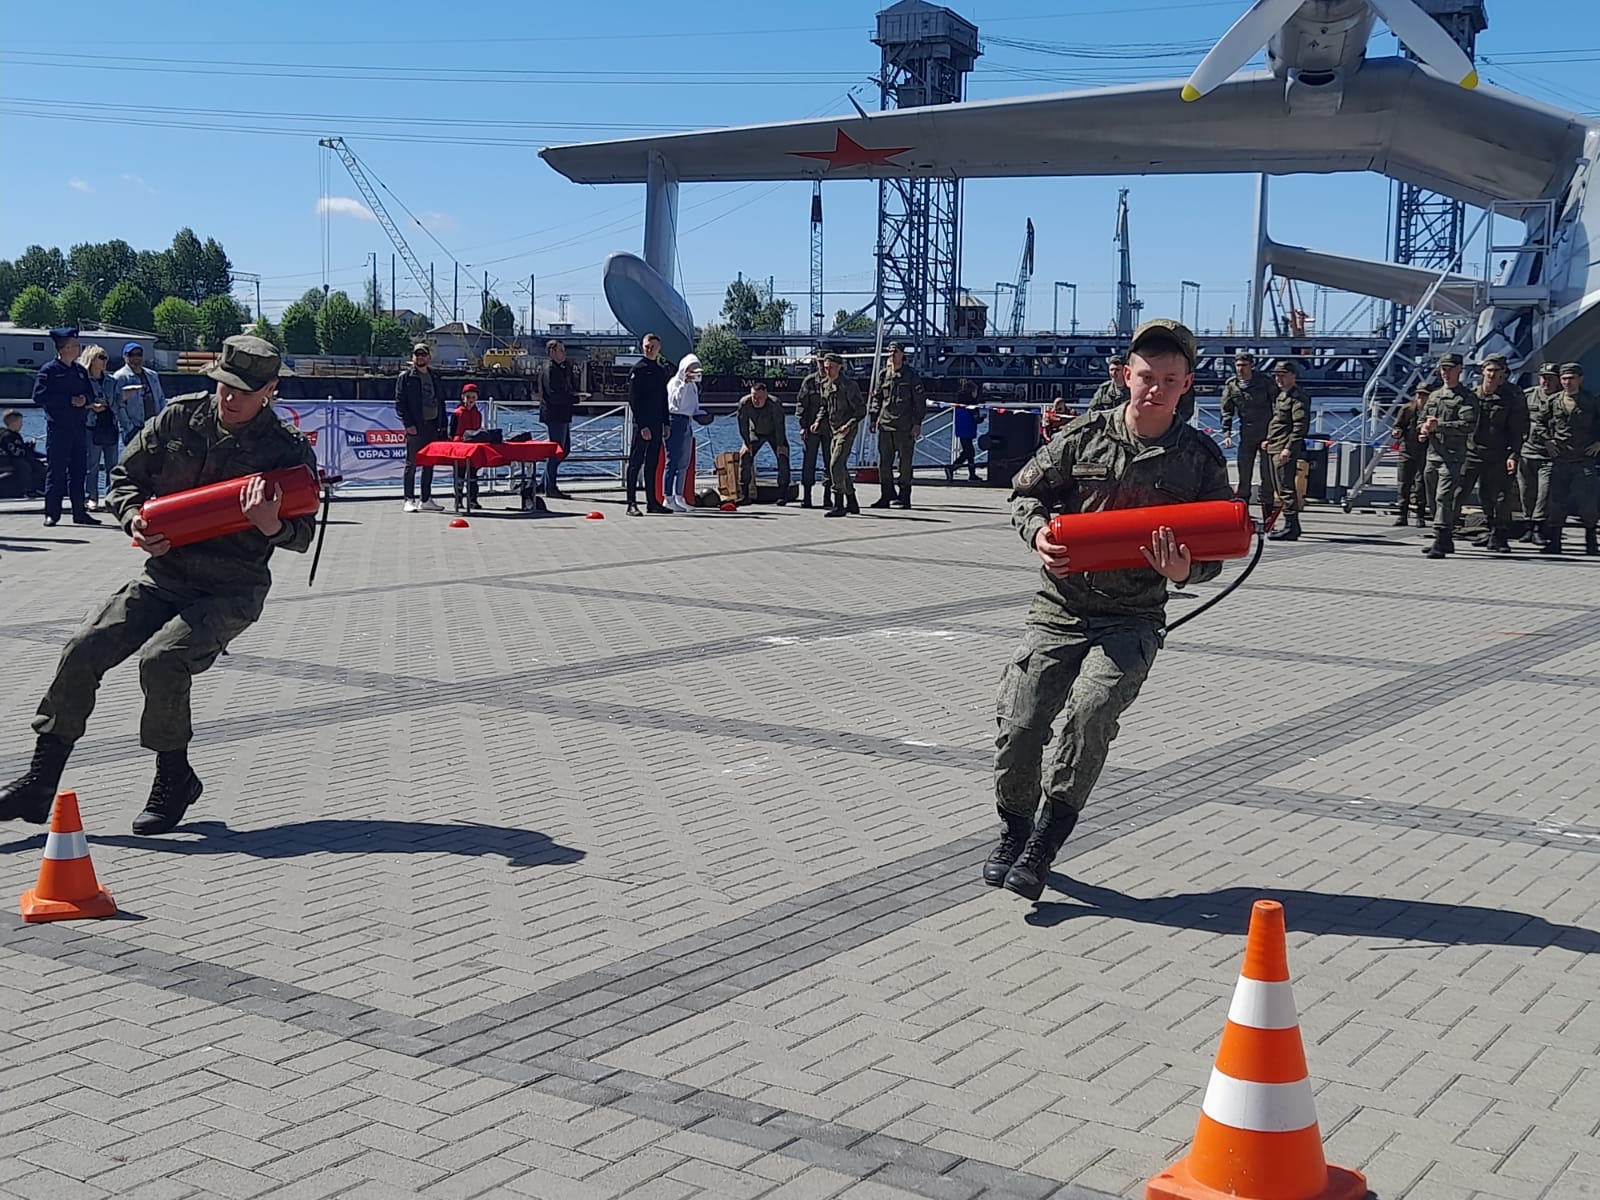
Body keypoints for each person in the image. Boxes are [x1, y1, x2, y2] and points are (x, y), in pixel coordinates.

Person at [0, 335, 317, 835]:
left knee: (163, 660)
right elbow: (124, 479)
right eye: (224, 385)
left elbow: (303, 536)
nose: (229, 397)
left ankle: (174, 777)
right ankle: (40, 781)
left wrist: (271, 524)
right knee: (85, 647)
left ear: (270, 390)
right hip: (165, 575)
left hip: (232, 587)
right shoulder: (178, 419)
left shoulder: (286, 449)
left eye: (243, 391)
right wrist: (134, 520)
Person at [984, 319, 1231, 900]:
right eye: (1146, 376)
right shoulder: (1083, 436)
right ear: (1125, 376)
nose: (1156, 389)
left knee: (1090, 715)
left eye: (1170, 379)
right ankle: (1014, 829)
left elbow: (1217, 550)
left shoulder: (1199, 459)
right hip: (1060, 608)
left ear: (1187, 384)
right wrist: (1038, 533)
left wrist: (1184, 572)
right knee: (1020, 725)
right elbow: (1024, 493)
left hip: (1133, 617)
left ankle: (1045, 843)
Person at [1459, 354, 1527, 554]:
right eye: (1489, 370)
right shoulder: (1473, 394)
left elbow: (1519, 428)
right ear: (1483, 371)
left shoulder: (1512, 396)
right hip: (1473, 452)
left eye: (1497, 371)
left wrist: (1514, 455)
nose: (1492, 374)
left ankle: (1500, 533)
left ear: (1503, 372)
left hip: (1500, 454)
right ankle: (1486, 529)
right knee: (1469, 492)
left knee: (1500, 496)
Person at [33, 326, 99, 528]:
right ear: (66, 348)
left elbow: (91, 394)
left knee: (79, 471)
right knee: (56, 471)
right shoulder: (49, 371)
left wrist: (85, 399)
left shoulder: (80, 371)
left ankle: (79, 512)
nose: (79, 349)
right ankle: (52, 513)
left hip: (78, 427)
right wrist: (68, 400)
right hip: (59, 428)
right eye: (76, 345)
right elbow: (39, 396)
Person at [1418, 353, 1478, 560]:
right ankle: (1445, 538)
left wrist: (1440, 426)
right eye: (1443, 369)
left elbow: (1468, 425)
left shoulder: (1466, 397)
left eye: (1450, 369)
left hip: (1452, 456)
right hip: (1433, 455)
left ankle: (1440, 537)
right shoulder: (1435, 396)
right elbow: (1421, 420)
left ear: (1460, 369)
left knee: (1443, 496)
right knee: (1432, 498)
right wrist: (1423, 429)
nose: (1446, 373)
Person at [1539, 362, 1600, 556]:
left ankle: (1591, 541)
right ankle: (1555, 541)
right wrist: (1547, 440)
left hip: (1583, 458)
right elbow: (1538, 422)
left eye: (1571, 378)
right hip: (1560, 458)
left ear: (1580, 379)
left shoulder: (1591, 401)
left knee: (1588, 502)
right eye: (1564, 378)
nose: (1567, 382)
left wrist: (1599, 443)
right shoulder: (1553, 401)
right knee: (1556, 501)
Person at [869, 342, 926, 509]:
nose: (892, 354)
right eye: (890, 351)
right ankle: (886, 495)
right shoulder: (884, 375)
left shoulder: (911, 375)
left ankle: (904, 496)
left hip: (904, 426)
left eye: (895, 352)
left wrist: (917, 423)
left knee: (904, 464)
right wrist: (873, 417)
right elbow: (877, 398)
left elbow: (919, 401)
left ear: (902, 354)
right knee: (884, 464)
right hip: (885, 424)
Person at [1261, 360, 1310, 541]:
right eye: (1276, 376)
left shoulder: (1298, 397)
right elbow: (1278, 422)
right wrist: (1269, 439)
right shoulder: (1281, 395)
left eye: (1283, 376)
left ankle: (1291, 526)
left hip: (1284, 447)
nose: (1278, 379)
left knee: (1286, 487)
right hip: (1275, 445)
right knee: (1278, 487)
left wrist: (1289, 449)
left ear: (1293, 376)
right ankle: (1288, 524)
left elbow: (1299, 427)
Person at [395, 342, 446, 513]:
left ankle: (425, 499)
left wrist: (442, 426)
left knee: (429, 463)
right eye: (417, 354)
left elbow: (440, 401)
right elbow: (400, 403)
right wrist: (408, 424)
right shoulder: (406, 377)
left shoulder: (435, 376)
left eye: (423, 354)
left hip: (433, 425)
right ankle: (408, 499)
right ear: (413, 357)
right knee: (412, 463)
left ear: (429, 357)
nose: (420, 357)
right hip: (416, 426)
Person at [626, 333, 671, 516]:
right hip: (642, 425)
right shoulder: (638, 370)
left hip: (657, 423)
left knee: (652, 463)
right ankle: (631, 503)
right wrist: (642, 425)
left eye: (653, 347)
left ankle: (652, 502)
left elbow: (663, 398)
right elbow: (634, 400)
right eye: (647, 346)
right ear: (642, 347)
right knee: (635, 463)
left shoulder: (660, 370)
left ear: (659, 349)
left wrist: (666, 423)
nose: (649, 349)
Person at [1219, 353, 1273, 504]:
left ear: (1252, 366)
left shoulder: (1264, 382)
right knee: (1244, 472)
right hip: (1247, 433)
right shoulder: (1232, 385)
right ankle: (1244, 511)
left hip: (1266, 433)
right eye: (1238, 365)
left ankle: (1267, 510)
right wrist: (1227, 433)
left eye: (1244, 365)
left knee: (1267, 475)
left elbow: (1277, 407)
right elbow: (1226, 410)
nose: (1240, 369)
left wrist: (1274, 434)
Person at [1518, 363, 1562, 544]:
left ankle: (1539, 527)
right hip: (1527, 451)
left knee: (1544, 493)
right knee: (1526, 492)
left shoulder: (1563, 399)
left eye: (1551, 378)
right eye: (1544, 377)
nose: (1546, 381)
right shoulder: (1528, 396)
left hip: (1549, 455)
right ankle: (1528, 526)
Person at [818, 353, 865, 518]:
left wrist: (848, 425)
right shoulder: (825, 384)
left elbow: (861, 410)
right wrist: (818, 421)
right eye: (825, 368)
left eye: (830, 368)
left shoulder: (849, 386)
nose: (827, 371)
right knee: (841, 467)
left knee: (835, 464)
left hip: (847, 430)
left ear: (839, 367)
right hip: (833, 429)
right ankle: (852, 501)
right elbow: (824, 406)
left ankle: (838, 503)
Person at [80, 344, 122, 511]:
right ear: (92, 359)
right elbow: (78, 402)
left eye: (106, 358)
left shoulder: (112, 381)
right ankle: (91, 496)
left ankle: (111, 497)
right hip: (91, 426)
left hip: (110, 425)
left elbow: (118, 403)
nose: (105, 361)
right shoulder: (83, 380)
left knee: (113, 464)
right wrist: (91, 405)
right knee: (92, 465)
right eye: (101, 357)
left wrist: (115, 402)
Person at [737, 380, 790, 505]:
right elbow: (742, 425)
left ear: (766, 395)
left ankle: (783, 494)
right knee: (745, 456)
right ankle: (744, 495)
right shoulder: (744, 403)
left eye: (760, 398)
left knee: (783, 456)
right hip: (755, 432)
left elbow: (780, 425)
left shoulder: (775, 403)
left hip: (774, 432)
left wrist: (780, 445)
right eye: (754, 397)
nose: (756, 400)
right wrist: (746, 443)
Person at [662, 353, 701, 513]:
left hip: (687, 420)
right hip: (675, 420)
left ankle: (679, 495)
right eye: (691, 369)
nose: (693, 373)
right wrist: (684, 384)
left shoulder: (693, 386)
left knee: (684, 461)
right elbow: (675, 403)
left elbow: (693, 405)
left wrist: (701, 414)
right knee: (672, 460)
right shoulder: (674, 383)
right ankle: (667, 497)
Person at [539, 339, 577, 499]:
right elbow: (554, 395)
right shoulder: (550, 369)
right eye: (561, 350)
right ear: (552, 352)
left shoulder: (561, 368)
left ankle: (543, 483)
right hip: (555, 414)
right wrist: (575, 399)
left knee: (564, 449)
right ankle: (550, 487)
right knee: (557, 450)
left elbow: (566, 388)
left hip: (562, 413)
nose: (564, 353)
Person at [1392, 382, 1432, 527]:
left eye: (1424, 395)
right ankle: (1402, 514)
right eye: (1419, 394)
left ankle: (1420, 514)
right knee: (1403, 483)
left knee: (1421, 484)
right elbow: (1398, 425)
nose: (1421, 397)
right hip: (1407, 449)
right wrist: (1397, 432)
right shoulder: (1407, 409)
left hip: (1425, 451)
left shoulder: (1433, 411)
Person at [795, 351, 831, 509]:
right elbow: (801, 404)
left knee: (830, 463)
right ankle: (807, 496)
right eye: (819, 361)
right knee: (808, 462)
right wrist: (803, 426)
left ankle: (828, 496)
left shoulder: (835, 381)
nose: (822, 365)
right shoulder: (810, 382)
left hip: (830, 429)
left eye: (824, 361)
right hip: (811, 428)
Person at [111, 342, 165, 446]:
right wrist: (129, 427)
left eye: (138, 354)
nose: (135, 357)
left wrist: (161, 421)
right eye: (131, 355)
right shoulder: (119, 377)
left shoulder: (152, 375)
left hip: (154, 427)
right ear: (124, 357)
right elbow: (118, 405)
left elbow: (161, 399)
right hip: (133, 430)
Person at [450, 382, 484, 514]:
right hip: (460, 446)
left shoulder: (478, 414)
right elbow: (451, 431)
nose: (470, 400)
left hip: (473, 446)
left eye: (473, 397)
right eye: (468, 397)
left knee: (473, 475)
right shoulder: (457, 413)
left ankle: (473, 500)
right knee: (459, 475)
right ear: (462, 397)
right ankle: (458, 499)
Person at [0, 410, 46, 499]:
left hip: (10, 456)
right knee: (25, 466)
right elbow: (15, 452)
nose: (21, 425)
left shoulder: (10, 434)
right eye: (20, 422)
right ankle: (28, 490)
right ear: (13, 423)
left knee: (34, 462)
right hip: (9, 458)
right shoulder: (8, 436)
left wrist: (27, 447)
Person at [946, 379, 984, 482]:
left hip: (961, 429)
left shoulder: (961, 402)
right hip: (969, 429)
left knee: (968, 452)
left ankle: (970, 473)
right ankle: (952, 468)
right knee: (969, 452)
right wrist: (982, 418)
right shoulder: (972, 404)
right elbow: (976, 419)